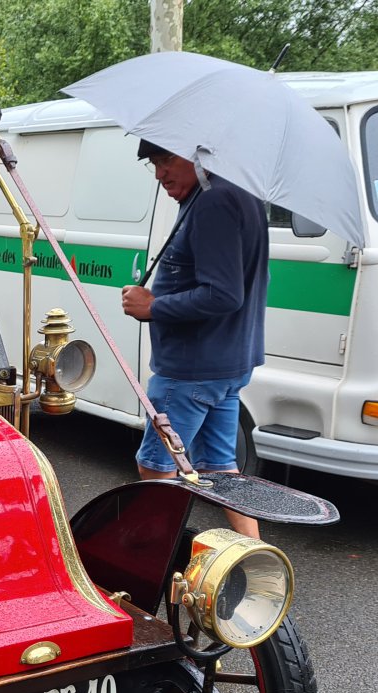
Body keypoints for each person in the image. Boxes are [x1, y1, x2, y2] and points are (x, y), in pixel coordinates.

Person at [120, 139, 269, 539]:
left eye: (167, 159)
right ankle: (256, 564)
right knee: (220, 469)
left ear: (200, 153)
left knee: (156, 468)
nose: (159, 173)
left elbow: (223, 293)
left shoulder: (213, 203)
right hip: (225, 363)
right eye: (153, 163)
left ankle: (152, 563)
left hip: (192, 369)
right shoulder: (238, 192)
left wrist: (154, 307)